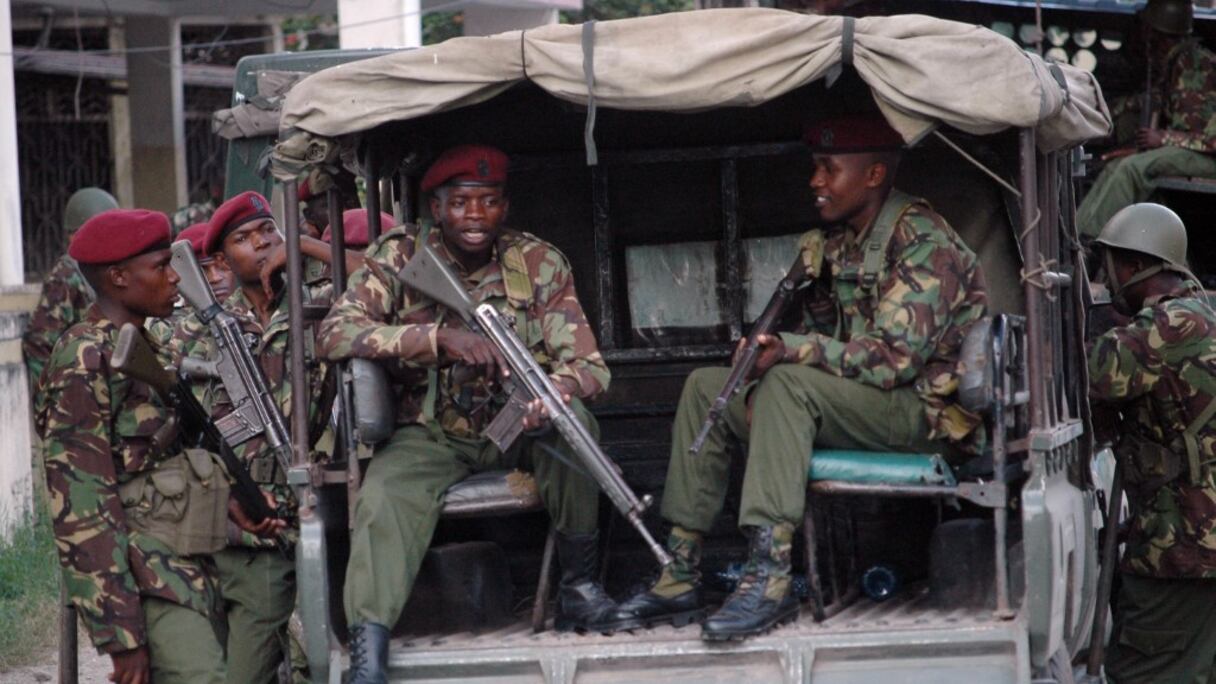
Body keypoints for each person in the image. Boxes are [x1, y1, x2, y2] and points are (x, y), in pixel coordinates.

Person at [607, 115, 989, 641]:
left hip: (921, 414)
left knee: (787, 385)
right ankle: (680, 572)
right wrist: (767, 347)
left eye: (829, 169)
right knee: (705, 386)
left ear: (875, 174)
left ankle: (769, 578)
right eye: (815, 169)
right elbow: (821, 341)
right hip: (859, 408)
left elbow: (895, 359)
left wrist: (790, 352)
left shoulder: (925, 242)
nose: (815, 182)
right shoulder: (838, 246)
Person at [317, 144, 616, 682]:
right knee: (383, 496)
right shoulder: (400, 257)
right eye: (460, 203)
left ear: (505, 206)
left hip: (519, 426)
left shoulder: (537, 263)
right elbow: (335, 333)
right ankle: (369, 646)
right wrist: (436, 339)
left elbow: (591, 367)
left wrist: (553, 392)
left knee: (579, 432)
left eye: (489, 201)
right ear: (436, 208)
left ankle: (579, 588)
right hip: (431, 433)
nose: (475, 216)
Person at [37, 209, 272, 683]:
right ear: (120, 278)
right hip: (144, 572)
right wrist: (122, 637)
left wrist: (231, 503)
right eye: (162, 266)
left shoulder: (141, 346)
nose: (174, 278)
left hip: (183, 558)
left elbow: (166, 455)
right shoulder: (84, 361)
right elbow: (81, 508)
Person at [171, 191, 335, 684]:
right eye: (244, 239)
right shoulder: (200, 333)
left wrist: (310, 247)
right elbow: (173, 419)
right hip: (250, 529)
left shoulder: (324, 300)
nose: (262, 243)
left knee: (333, 659)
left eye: (268, 230)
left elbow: (398, 279)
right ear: (220, 261)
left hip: (323, 512)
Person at [1086, 203, 1216, 684]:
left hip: (1182, 550)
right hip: (1197, 543)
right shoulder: (1201, 315)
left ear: (1138, 266)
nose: (1109, 276)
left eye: (1113, 264)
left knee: (1146, 672)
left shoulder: (1169, 326)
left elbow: (1095, 372)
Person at [1077, 0, 1216, 239]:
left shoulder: (1192, 65)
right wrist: (1101, 112)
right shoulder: (1177, 62)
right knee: (1116, 167)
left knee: (1130, 169)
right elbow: (1151, 99)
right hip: (1194, 151)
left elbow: (1210, 140)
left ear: (1156, 34)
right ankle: (1076, 234)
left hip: (1207, 156)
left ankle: (1088, 242)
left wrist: (1162, 137)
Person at [23, 187, 118, 392]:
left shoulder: (102, 268)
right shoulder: (67, 274)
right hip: (79, 388)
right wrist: (52, 395)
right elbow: (39, 342)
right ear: (76, 235)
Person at [147, 222, 236, 353]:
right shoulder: (167, 325)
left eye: (222, 266)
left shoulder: (254, 311)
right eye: (203, 270)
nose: (216, 277)